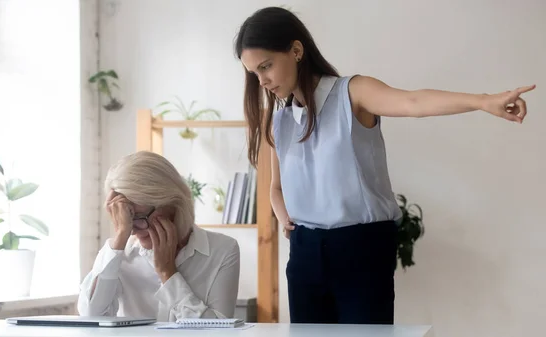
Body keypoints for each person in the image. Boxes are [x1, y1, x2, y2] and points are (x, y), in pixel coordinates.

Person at [234, 6, 535, 325]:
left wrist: (484, 101)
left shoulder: (352, 93)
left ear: (296, 50)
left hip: (361, 247)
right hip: (305, 253)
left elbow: (413, 103)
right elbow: (276, 188)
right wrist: (285, 219)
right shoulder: (279, 121)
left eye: (266, 66)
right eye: (254, 73)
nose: (262, 81)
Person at [77, 151, 240, 321]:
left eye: (139, 217)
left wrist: (167, 273)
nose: (132, 230)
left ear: (172, 203)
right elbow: (91, 316)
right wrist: (118, 241)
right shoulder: (120, 253)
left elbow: (220, 331)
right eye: (125, 218)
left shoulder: (223, 250)